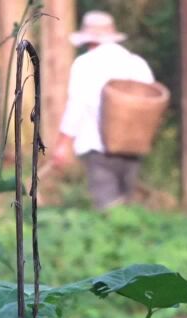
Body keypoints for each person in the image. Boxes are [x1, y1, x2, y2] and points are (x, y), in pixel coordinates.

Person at [52, 10, 155, 210]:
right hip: (132, 145)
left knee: (108, 206)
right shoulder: (137, 63)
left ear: (88, 39)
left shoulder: (84, 64)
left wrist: (63, 144)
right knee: (126, 204)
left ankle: (113, 235)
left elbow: (77, 106)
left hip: (98, 146)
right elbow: (150, 102)